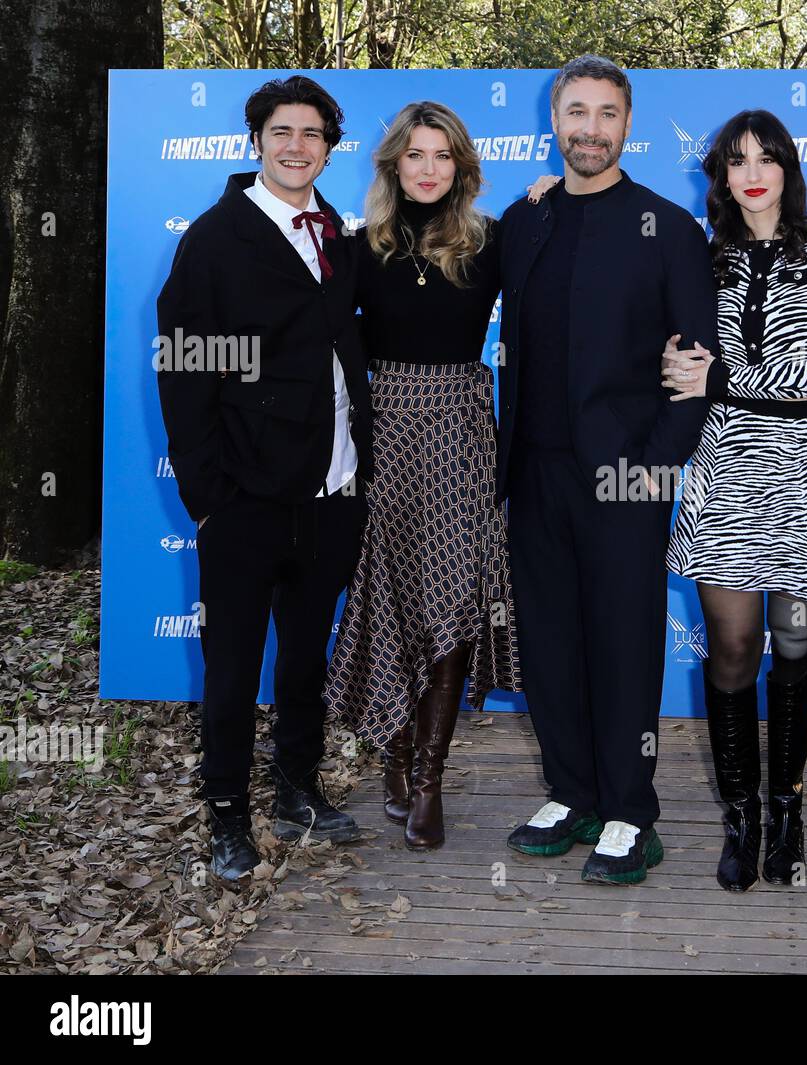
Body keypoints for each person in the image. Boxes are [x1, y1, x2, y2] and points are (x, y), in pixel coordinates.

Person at [496, 55, 718, 885]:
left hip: (628, 475)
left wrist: (659, 466)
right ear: (555, 119)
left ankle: (631, 811)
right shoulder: (525, 222)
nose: (590, 129)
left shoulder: (668, 227)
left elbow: (697, 362)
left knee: (623, 642)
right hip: (531, 470)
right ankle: (573, 790)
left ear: (629, 125)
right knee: (549, 638)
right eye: (576, 112)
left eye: (606, 114)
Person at [156, 75, 371, 880]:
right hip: (246, 499)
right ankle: (225, 819)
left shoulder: (339, 237)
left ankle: (296, 790)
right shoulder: (214, 238)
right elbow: (182, 369)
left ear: (327, 146)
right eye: (282, 131)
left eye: (312, 133)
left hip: (332, 493)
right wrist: (208, 497)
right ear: (256, 141)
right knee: (233, 665)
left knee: (305, 657)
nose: (296, 146)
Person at [660, 110, 807, 892]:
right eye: (736, 159)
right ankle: (739, 816)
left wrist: (722, 379)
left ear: (788, 167)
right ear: (720, 173)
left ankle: (790, 809)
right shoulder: (699, 255)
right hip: (729, 474)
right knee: (735, 647)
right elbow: (670, 353)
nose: (752, 171)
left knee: (794, 644)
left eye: (767, 157)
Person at [324, 101, 522, 852]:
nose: (430, 167)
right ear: (395, 165)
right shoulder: (357, 247)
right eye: (417, 155)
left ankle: (431, 777)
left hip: (464, 430)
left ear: (462, 166)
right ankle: (397, 757)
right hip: (387, 432)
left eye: (444, 155)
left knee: (454, 602)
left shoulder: (491, 240)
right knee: (392, 601)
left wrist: (544, 190)